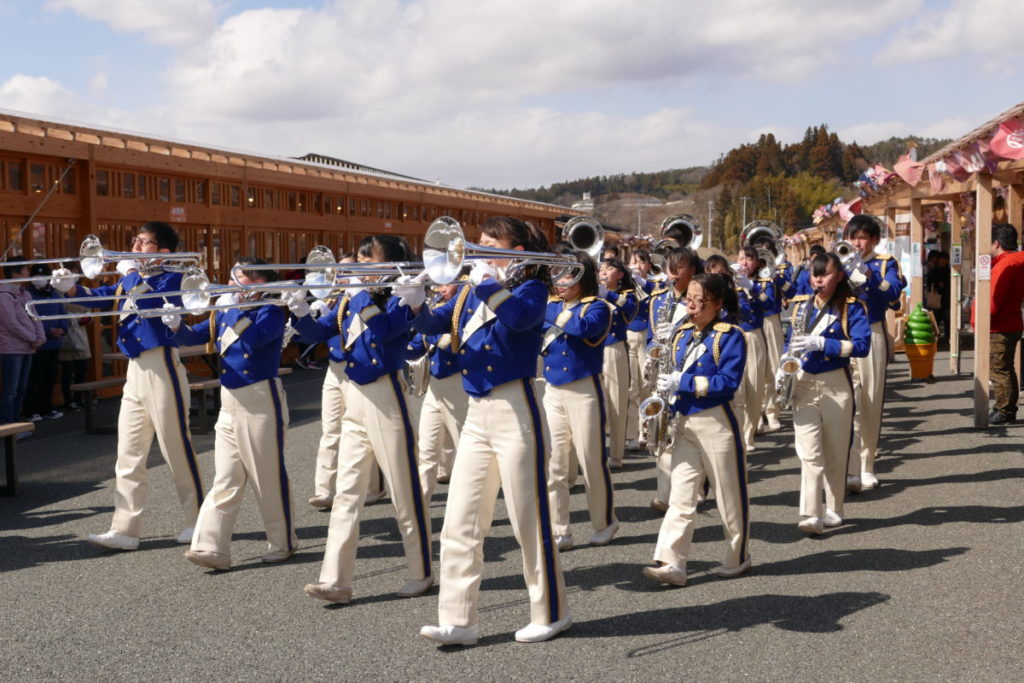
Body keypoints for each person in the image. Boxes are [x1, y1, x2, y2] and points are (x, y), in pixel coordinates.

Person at [412, 216, 570, 646]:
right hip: (477, 410)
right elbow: (434, 324)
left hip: (515, 407)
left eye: (488, 242)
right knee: (461, 519)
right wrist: (412, 304)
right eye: (477, 243)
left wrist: (486, 286)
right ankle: (459, 620)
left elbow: (519, 320)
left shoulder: (530, 289)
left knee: (528, 519)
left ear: (515, 252)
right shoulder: (469, 289)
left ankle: (551, 611)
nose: (477, 250)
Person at [52, 222, 204, 550]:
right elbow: (102, 298)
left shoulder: (174, 278)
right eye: (134, 241)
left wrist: (131, 273)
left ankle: (199, 521)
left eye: (143, 243)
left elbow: (150, 304)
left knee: (176, 448)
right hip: (135, 370)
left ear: (163, 252)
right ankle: (125, 529)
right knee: (128, 454)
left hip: (162, 365)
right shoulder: (129, 279)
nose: (134, 247)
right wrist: (71, 289)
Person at [297, 235, 432, 605]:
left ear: (387, 265)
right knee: (346, 493)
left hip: (386, 396)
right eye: (356, 255)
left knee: (404, 491)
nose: (354, 263)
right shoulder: (349, 298)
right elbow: (317, 334)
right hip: (354, 397)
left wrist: (356, 294)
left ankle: (421, 570)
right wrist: (299, 310)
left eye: (363, 257)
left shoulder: (403, 296)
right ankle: (335, 579)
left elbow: (386, 330)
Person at [162, 258, 297, 570]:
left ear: (261, 282)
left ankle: (283, 541)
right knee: (225, 476)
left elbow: (253, 338)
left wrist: (233, 307)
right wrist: (174, 324)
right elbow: (194, 337)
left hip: (261, 399)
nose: (233, 282)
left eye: (241, 276)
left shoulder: (271, 311)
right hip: (230, 401)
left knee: (267, 476)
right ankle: (211, 546)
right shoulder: (227, 309)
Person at [643, 273, 750, 586]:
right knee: (681, 495)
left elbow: (728, 383)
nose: (689, 305)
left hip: (716, 420)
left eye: (696, 299)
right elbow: (664, 365)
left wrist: (685, 382)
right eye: (687, 298)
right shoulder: (681, 333)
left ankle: (737, 555)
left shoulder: (731, 335)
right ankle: (671, 562)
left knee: (729, 495)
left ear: (716, 303)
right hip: (685, 420)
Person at [784, 252, 870, 534]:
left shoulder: (851, 307)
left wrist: (824, 343)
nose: (818, 279)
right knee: (809, 452)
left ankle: (835, 507)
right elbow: (790, 344)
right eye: (814, 274)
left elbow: (861, 346)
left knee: (835, 449)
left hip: (836, 383)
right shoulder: (800, 306)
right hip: (804, 382)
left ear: (840, 276)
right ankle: (810, 513)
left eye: (825, 274)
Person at [544, 252, 619, 551]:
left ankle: (604, 521)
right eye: (558, 275)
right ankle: (559, 528)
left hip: (584, 390)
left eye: (567, 275)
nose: (560, 282)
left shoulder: (598, 307)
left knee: (592, 461)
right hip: (553, 391)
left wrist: (546, 309)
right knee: (555, 464)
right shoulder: (553, 305)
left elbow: (582, 328)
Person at [307, 250, 386, 510]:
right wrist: (302, 314)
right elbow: (316, 333)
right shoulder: (337, 301)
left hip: (358, 368)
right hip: (334, 368)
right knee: (330, 430)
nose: (340, 276)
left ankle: (373, 487)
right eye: (338, 271)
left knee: (362, 430)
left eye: (348, 271)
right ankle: (325, 489)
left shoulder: (366, 299)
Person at [843, 215, 906, 490]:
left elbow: (893, 295)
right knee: (843, 401)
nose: (857, 243)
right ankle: (844, 463)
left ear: (875, 240)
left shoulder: (885, 263)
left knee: (869, 400)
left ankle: (866, 464)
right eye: (853, 237)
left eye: (863, 237)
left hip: (871, 332)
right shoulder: (839, 260)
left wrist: (869, 275)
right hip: (840, 335)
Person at [406, 277, 469, 504]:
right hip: (435, 387)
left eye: (447, 284)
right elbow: (416, 346)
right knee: (426, 449)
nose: (441, 289)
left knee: (466, 449)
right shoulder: (436, 310)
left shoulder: (466, 310)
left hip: (459, 385)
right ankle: (419, 507)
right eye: (439, 285)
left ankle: (466, 505)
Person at [645, 247, 699, 513]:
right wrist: (652, 350)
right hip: (663, 372)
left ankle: (696, 485)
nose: (673, 272)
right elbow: (649, 338)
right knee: (662, 428)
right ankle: (664, 493)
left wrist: (679, 327)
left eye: (681, 266)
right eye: (670, 266)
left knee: (690, 431)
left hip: (691, 371)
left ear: (693, 271)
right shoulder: (658, 299)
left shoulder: (703, 297)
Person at [707, 254, 762, 452]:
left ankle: (749, 433)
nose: (715, 275)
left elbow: (751, 311)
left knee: (754, 388)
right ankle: (736, 434)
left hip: (746, 338)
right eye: (711, 271)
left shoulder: (737, 292)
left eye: (719, 271)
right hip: (720, 345)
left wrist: (746, 289)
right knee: (734, 393)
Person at [977, 223, 1024, 424]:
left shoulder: (1004, 265)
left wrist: (980, 319)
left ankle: (1004, 409)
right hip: (1012, 320)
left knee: (998, 369)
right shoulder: (1017, 261)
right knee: (1006, 367)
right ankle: (1008, 408)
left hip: (999, 324)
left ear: (996, 243)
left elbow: (993, 300)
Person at [598, 256, 637, 469]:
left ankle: (616, 455)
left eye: (609, 268)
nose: (603, 271)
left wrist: (607, 294)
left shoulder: (627, 295)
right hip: (592, 349)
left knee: (617, 401)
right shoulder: (592, 292)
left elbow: (629, 309)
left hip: (614, 348)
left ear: (620, 275)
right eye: (601, 268)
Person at [0, 257, 45, 435]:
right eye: (25, 269)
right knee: (10, 389)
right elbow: (11, 323)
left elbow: (35, 316)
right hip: (11, 348)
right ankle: (8, 425)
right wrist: (32, 338)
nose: (28, 273)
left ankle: (16, 422)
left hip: (28, 346)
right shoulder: (3, 294)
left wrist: (39, 337)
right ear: (15, 272)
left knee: (21, 387)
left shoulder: (24, 293)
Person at [23, 264, 68, 421]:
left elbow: (62, 313)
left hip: (55, 344)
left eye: (43, 275)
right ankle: (31, 410)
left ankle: (47, 408)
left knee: (50, 378)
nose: (40, 278)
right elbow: (29, 316)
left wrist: (62, 329)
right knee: (35, 378)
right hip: (37, 344)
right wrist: (48, 330)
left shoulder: (54, 294)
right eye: (36, 274)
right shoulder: (28, 294)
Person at [625, 249, 656, 447]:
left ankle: (647, 429)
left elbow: (659, 296)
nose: (637, 266)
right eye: (633, 262)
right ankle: (631, 433)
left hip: (647, 336)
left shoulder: (655, 283)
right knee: (630, 385)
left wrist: (643, 283)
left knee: (647, 384)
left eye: (642, 262)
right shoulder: (624, 284)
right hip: (628, 335)